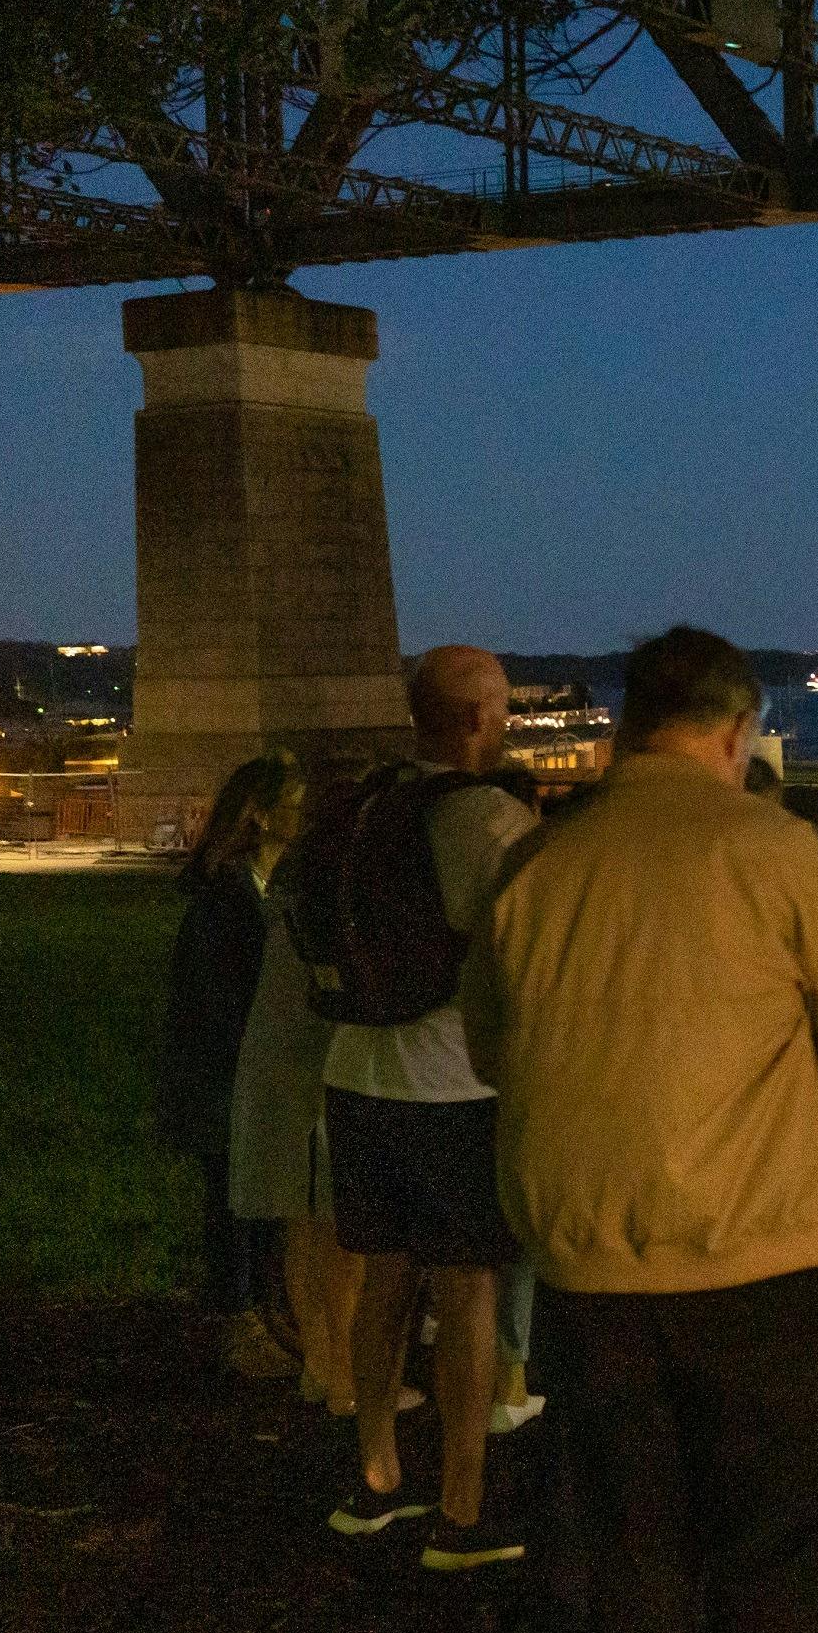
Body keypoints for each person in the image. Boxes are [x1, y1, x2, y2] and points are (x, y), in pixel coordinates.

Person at [464, 625, 818, 1633]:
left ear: (625, 729)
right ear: (734, 733)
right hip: (758, 1261)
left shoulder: (538, 872)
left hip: (587, 1267)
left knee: (635, 1556)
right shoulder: (771, 851)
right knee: (786, 1560)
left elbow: (490, 1048)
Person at [320, 646, 539, 1572]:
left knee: (381, 1282)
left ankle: (373, 1480)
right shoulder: (490, 820)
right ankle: (462, 1506)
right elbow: (531, 956)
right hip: (453, 1082)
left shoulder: (362, 808)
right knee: (468, 1287)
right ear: (481, 719)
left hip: (354, 1071)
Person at [224, 752, 370, 1409]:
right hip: (315, 1069)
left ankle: (321, 1366)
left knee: (303, 1226)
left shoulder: (295, 874)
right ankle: (344, 1379)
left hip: (282, 1065)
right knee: (338, 1232)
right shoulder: (335, 878)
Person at [161, 752, 303, 1381]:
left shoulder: (281, 888)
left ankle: (270, 1316)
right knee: (232, 1204)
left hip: (264, 1075)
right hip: (227, 1078)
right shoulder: (227, 898)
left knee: (265, 1202)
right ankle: (237, 1323)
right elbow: (212, 1005)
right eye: (296, 798)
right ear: (260, 813)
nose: (308, 809)